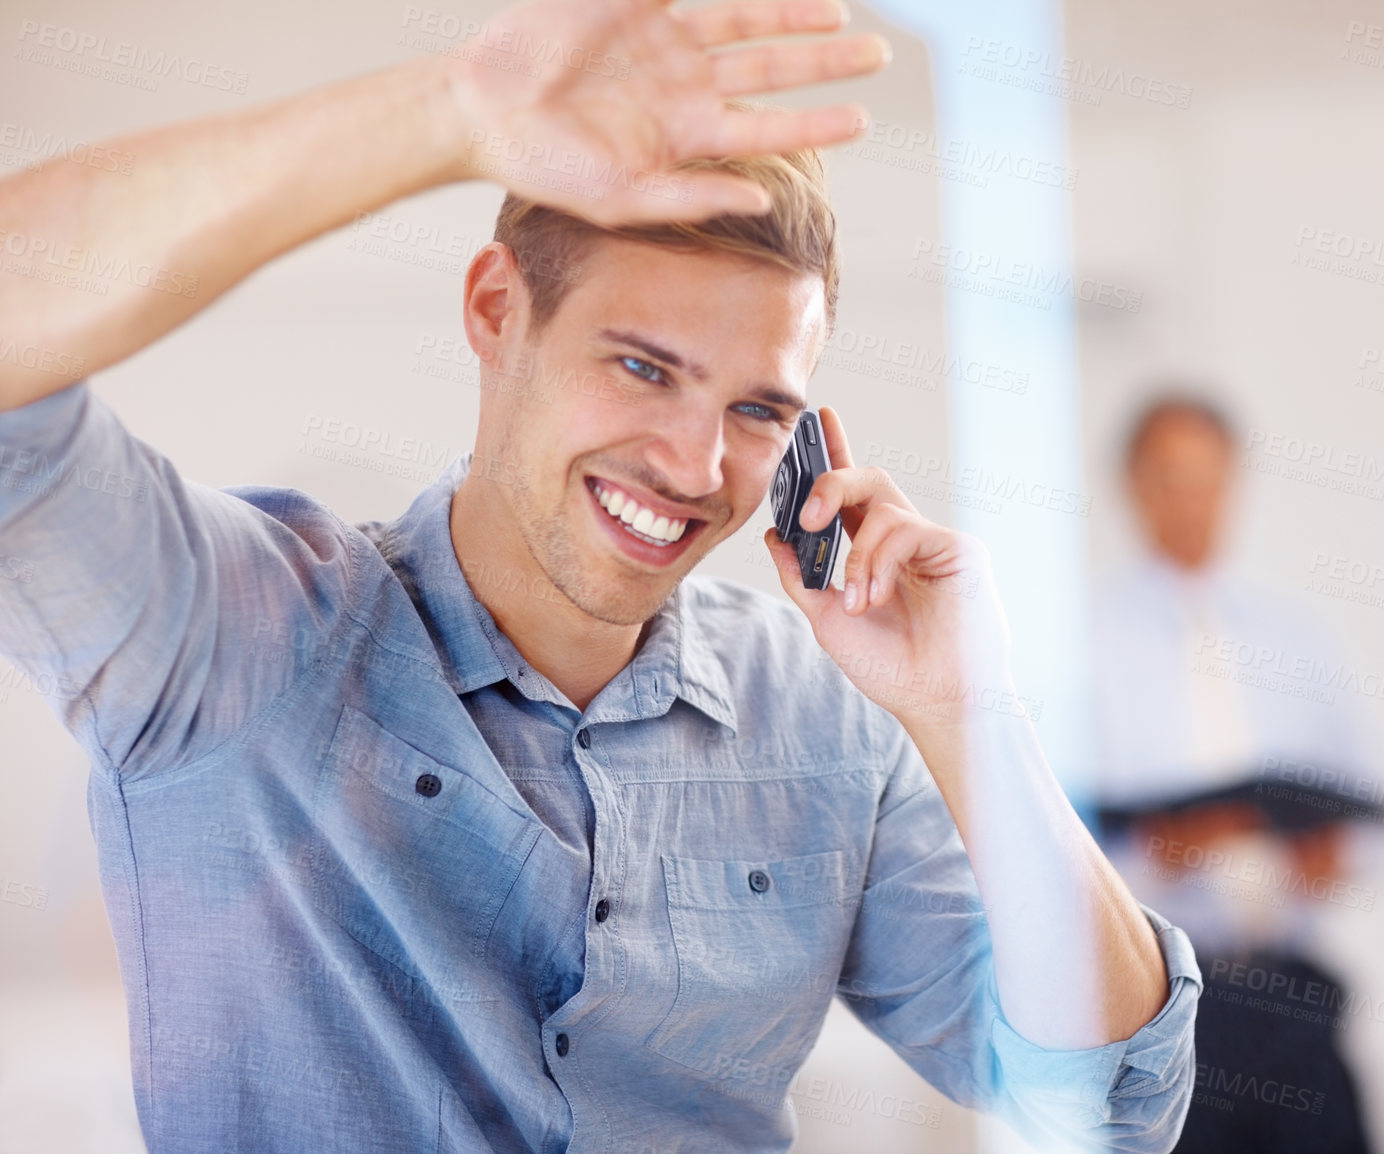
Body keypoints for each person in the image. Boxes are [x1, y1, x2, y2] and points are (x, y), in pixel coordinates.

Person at [0, 3, 1200, 1151]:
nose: (694, 464)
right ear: (493, 309)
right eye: (640, 367)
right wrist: (445, 113)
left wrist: (965, 711)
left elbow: (1106, 1101)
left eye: (755, 409)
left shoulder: (831, 719)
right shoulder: (230, 634)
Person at [1085, 393, 1378, 1151]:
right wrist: (1162, 855)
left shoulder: (1299, 634)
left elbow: (1368, 807)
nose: (1192, 502)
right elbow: (1065, 832)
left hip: (1291, 993)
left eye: (1209, 478)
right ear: (1133, 485)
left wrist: (1333, 856)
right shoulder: (1087, 642)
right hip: (1162, 1005)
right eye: (1170, 479)